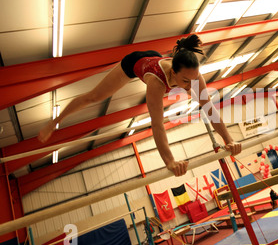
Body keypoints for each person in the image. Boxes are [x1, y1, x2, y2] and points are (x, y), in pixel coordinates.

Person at [38, 34, 241, 176]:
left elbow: (210, 110)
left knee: (202, 98)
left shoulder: (193, 77)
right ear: (173, 73)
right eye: (186, 81)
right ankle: (56, 120)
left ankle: (183, 84)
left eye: (194, 79)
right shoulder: (156, 83)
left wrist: (229, 139)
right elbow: (157, 124)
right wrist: (170, 161)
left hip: (158, 60)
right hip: (135, 63)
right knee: (94, 96)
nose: (192, 84)